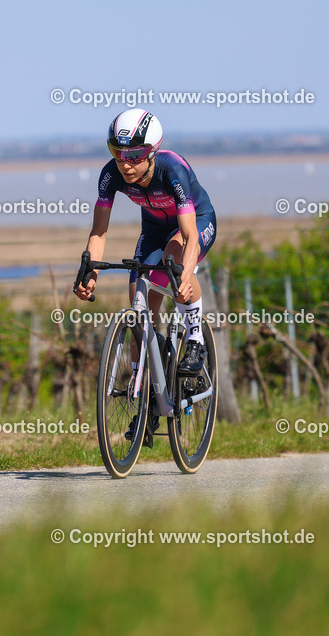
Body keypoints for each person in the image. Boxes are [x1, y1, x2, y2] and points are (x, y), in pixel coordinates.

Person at [74, 109, 217, 443]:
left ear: (151, 151)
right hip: (153, 229)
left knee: (173, 265)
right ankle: (150, 398)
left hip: (195, 223)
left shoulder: (172, 169)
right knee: (139, 302)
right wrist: (89, 271)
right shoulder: (111, 175)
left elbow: (191, 236)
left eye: (134, 156)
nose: (125, 164)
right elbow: (99, 232)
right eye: (118, 153)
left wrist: (184, 275)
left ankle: (194, 336)